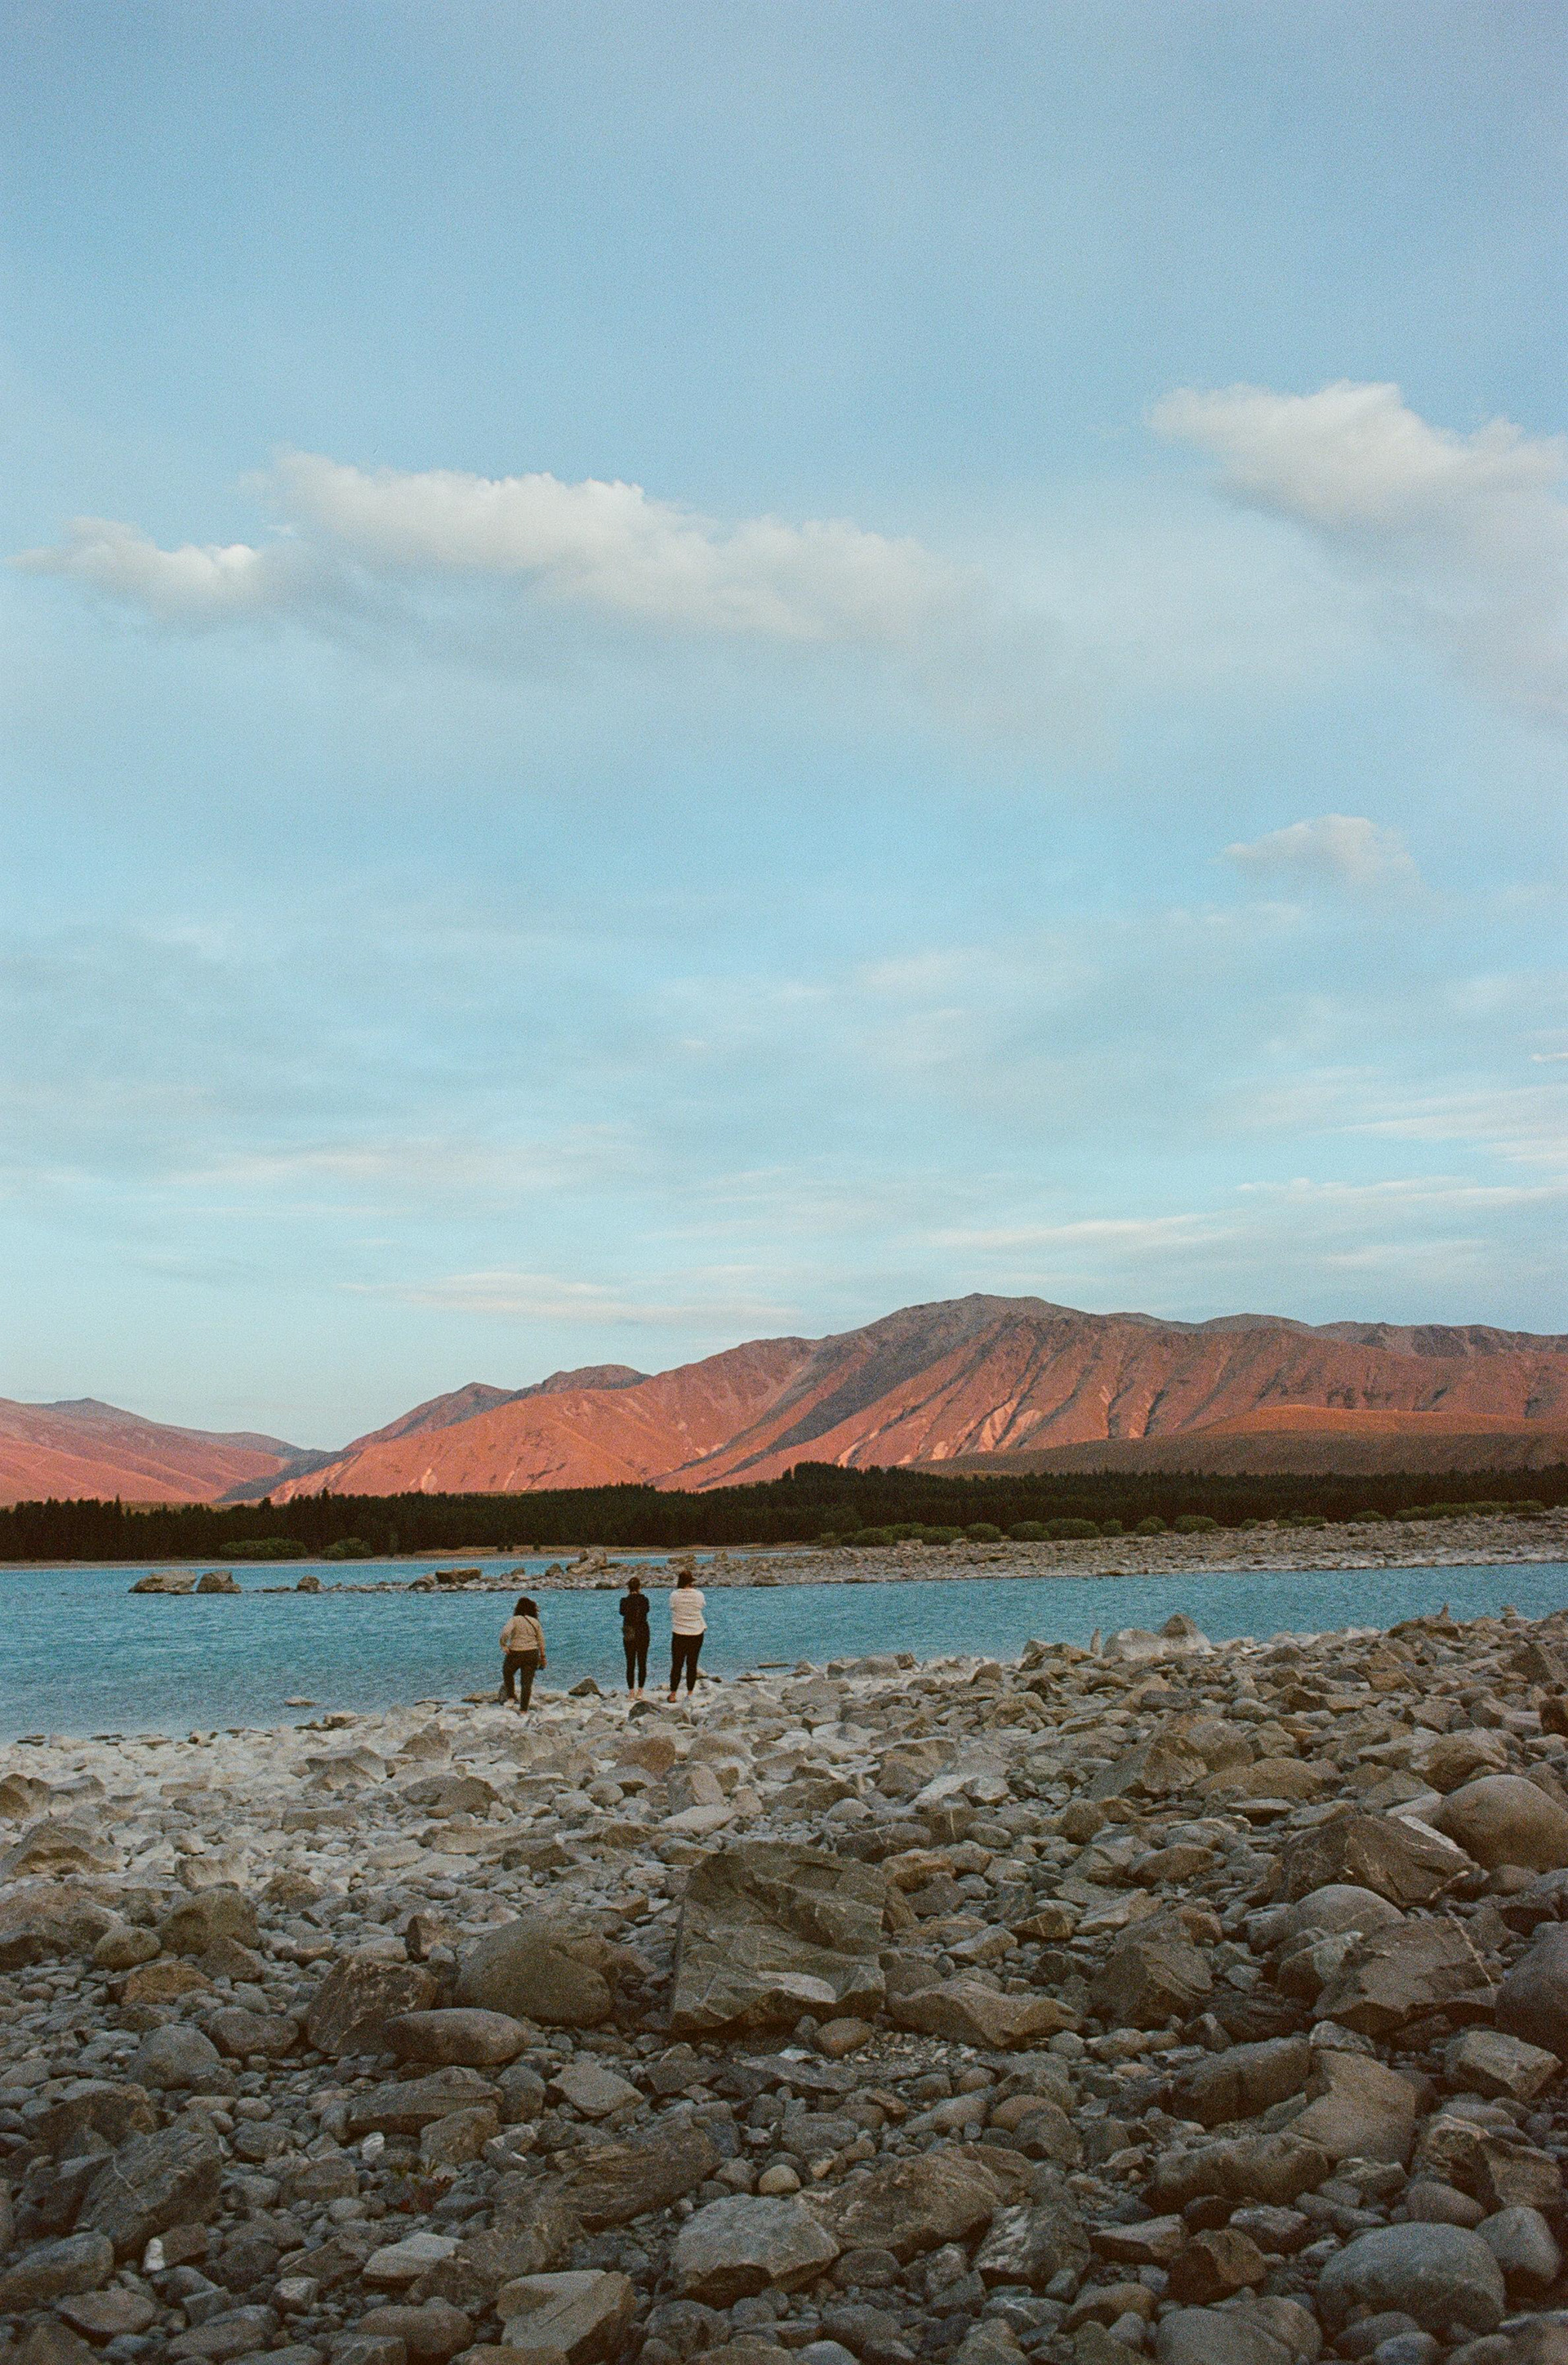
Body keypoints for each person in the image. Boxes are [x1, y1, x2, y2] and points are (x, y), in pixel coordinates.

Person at [497, 1595, 546, 1712]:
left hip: (516, 1653)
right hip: (532, 1653)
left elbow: (505, 1633)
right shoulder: (535, 1622)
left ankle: (511, 1696)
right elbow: (541, 1641)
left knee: (507, 1672)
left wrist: (504, 1645)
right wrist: (543, 1657)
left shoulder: (514, 1620)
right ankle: (524, 1710)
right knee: (526, 1683)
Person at [667, 1568, 706, 1702]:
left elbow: (672, 1607)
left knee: (677, 1664)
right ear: (691, 1582)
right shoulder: (699, 1595)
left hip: (679, 1632)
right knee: (692, 1663)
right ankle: (689, 1693)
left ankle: (673, 1694)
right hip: (696, 1632)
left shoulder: (674, 1595)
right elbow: (701, 1607)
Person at [619, 1573, 650, 1697]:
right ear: (639, 1587)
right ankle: (640, 1691)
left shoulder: (624, 1601)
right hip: (643, 1630)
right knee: (642, 1662)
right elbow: (646, 1610)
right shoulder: (644, 1599)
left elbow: (622, 1612)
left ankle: (631, 1692)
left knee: (630, 1662)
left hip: (629, 1630)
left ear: (628, 1588)